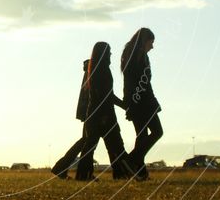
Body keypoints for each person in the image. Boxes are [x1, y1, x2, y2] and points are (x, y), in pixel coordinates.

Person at [75, 42, 134, 181]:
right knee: (116, 146)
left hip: (94, 114)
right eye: (109, 52)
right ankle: (122, 173)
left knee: (90, 147)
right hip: (105, 114)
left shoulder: (94, 69)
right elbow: (107, 96)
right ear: (104, 54)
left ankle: (84, 175)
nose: (111, 55)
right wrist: (124, 105)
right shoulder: (103, 70)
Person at [121, 28, 162, 181]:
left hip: (137, 101)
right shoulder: (139, 57)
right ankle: (131, 160)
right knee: (157, 132)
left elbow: (130, 82)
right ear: (144, 41)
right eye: (151, 43)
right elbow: (140, 83)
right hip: (144, 102)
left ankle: (140, 172)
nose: (152, 46)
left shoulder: (130, 55)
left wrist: (130, 102)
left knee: (142, 135)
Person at [51, 60, 90, 179]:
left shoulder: (89, 71)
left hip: (88, 111)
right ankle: (78, 171)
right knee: (87, 141)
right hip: (92, 111)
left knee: (86, 141)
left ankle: (64, 167)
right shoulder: (93, 71)